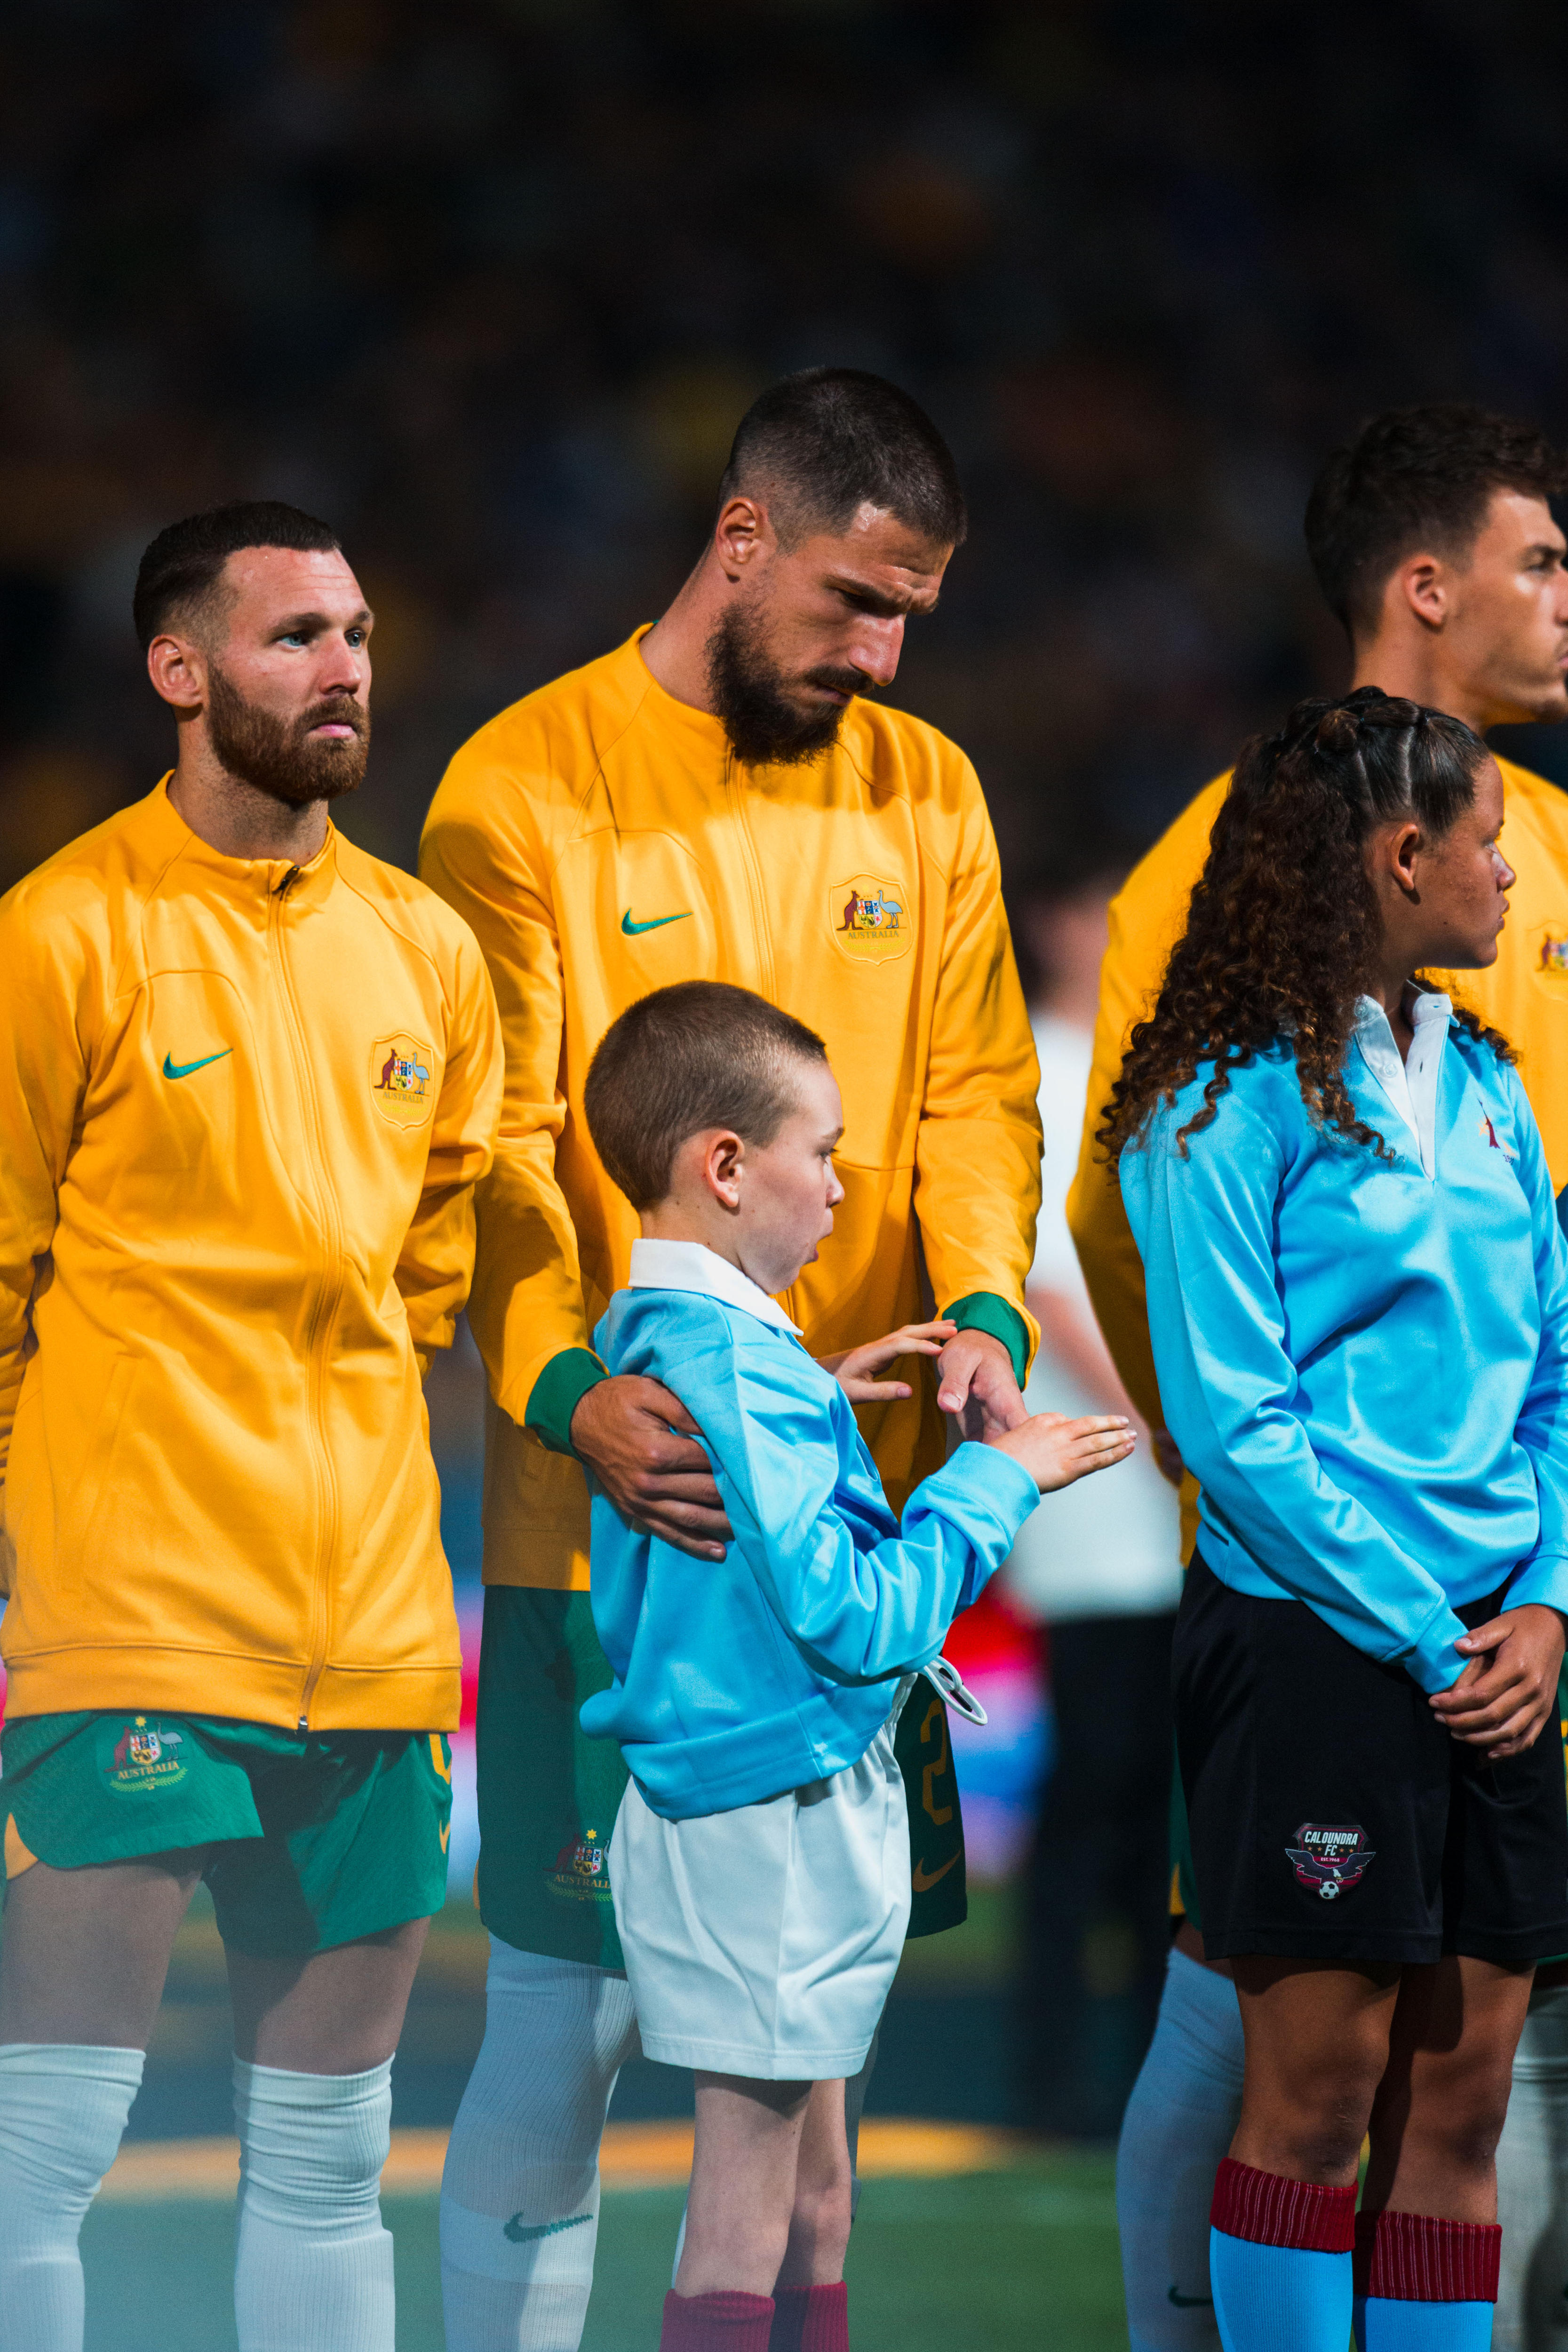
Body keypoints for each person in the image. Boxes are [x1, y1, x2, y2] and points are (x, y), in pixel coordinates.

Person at [419, 367, 1043, 2352]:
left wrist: (993, 1319)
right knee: (567, 2014)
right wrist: (559, 1393)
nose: (880, 653)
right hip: (608, 1528)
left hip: (835, 1517)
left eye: (911, 621)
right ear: (743, 536)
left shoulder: (923, 787)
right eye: (857, 601)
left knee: (817, 2045)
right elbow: (498, 1152)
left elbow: (975, 1097)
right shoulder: (519, 786)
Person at [1068, 403, 1568, 2352]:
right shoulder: (1220, 1065)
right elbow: (1215, 1373)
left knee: (1459, 2085)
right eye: (1542, 555)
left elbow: (1557, 1350)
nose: (1514, 884)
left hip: (1496, 1627)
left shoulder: (1493, 1082)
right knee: (1298, 2068)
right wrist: (1408, 1605)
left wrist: (1538, 1593)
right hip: (1320, 1621)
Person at [0, 501, 503, 2352]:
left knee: (325, 2159)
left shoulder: (431, 951)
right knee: (42, 2156)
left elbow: (432, 1279)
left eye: (359, 629)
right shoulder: (58, 932)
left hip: (371, 1629)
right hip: (130, 1614)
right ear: (179, 668)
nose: (347, 664)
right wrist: (36, 1544)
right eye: (295, 633)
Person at [579, 979, 1134, 2352]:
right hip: (770, 1808)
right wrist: (997, 1481)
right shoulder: (726, 1356)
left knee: (818, 2200)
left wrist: (811, 1391)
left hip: (771, 1795)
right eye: (819, 1152)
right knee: (751, 2214)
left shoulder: (694, 1339)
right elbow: (858, 1620)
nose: (841, 1189)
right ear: (722, 1167)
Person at [1001, 870, 1183, 2136]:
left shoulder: (1145, 1064)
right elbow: (1053, 1287)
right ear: (1060, 923)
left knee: (1151, 1791)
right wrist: (1174, 1422)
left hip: (1163, 1475)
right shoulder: (1046, 1073)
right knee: (1099, 1782)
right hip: (1106, 1472)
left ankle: (1131, 2064)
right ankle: (1056, 2067)